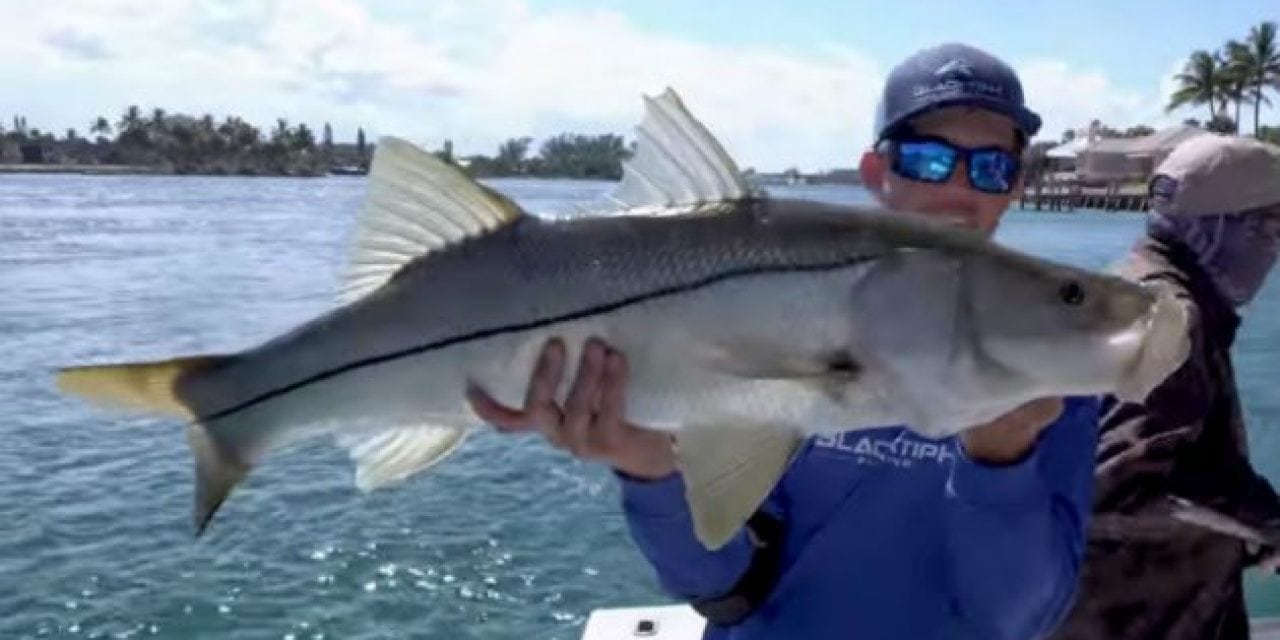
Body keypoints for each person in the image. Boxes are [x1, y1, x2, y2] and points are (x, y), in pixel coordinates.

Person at [467, 43, 1100, 640]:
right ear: (876, 171)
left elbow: (1017, 619)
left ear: (1017, 185)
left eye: (992, 167)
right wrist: (648, 467)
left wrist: (1002, 462)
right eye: (928, 159)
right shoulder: (769, 320)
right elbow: (717, 584)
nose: (959, 190)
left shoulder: (1049, 382)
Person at [1049, 134, 1280, 640]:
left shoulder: (1129, 286)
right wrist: (1263, 519)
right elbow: (1123, 479)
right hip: (1147, 618)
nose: (1275, 248)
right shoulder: (1174, 316)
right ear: (1217, 226)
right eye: (1270, 225)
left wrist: (1243, 530)